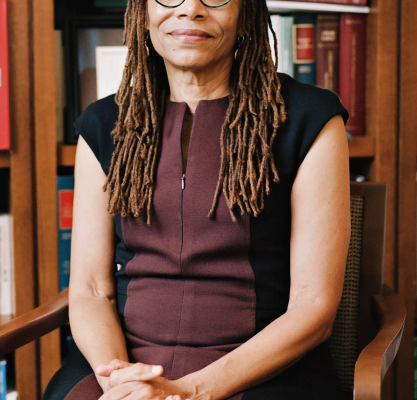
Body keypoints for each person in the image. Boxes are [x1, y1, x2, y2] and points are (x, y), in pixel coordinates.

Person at [44, 0, 351, 398]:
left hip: (263, 371)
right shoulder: (105, 123)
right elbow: (89, 289)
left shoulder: (309, 118)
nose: (190, 9)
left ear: (248, 12)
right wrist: (122, 383)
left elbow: (313, 309)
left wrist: (185, 393)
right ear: (142, 12)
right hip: (122, 364)